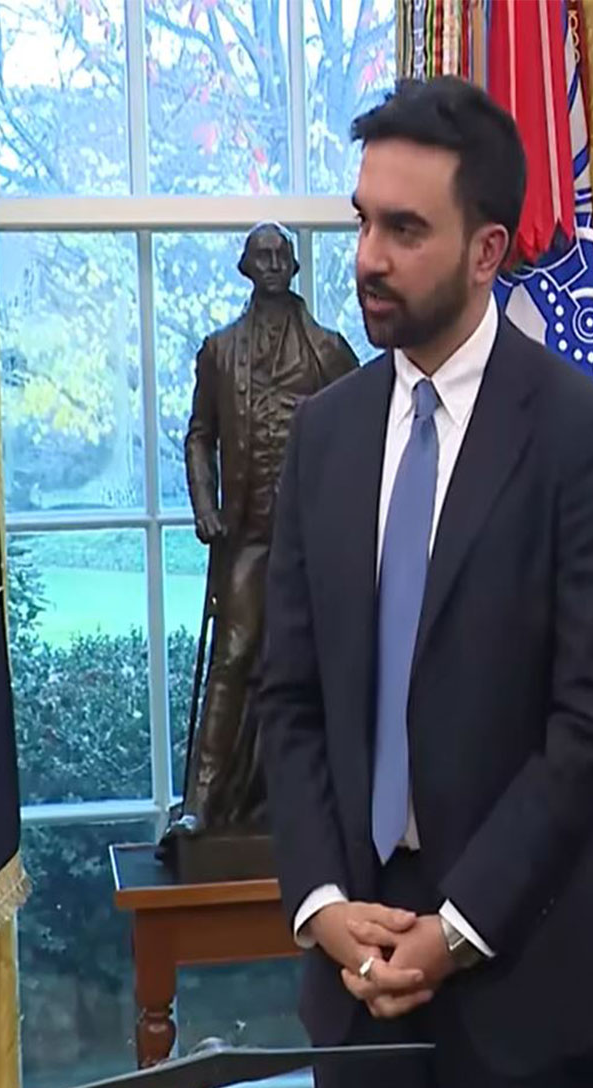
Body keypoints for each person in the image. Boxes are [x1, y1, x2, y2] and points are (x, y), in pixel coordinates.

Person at [258, 76, 593, 1088]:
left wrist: (458, 929)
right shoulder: (325, 436)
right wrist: (321, 902)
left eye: (404, 229)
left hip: (519, 974)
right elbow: (286, 699)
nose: (366, 258)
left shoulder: (580, 437)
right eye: (361, 221)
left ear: (485, 252)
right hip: (355, 969)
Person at [178, 223, 359, 831]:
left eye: (284, 254)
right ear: (246, 266)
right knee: (232, 657)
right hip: (248, 536)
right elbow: (200, 436)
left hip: (314, 541)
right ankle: (202, 804)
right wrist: (206, 506)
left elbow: (370, 433)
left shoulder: (329, 351)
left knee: (318, 664)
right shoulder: (219, 351)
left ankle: (324, 800)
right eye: (265, 255)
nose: (276, 263)